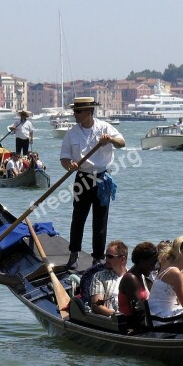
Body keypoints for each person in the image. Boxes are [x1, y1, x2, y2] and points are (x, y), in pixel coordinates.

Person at [60, 97, 126, 269]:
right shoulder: (72, 133)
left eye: (78, 111)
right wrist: (70, 166)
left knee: (100, 221)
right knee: (78, 218)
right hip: (82, 178)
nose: (74, 114)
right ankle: (74, 253)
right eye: (74, 111)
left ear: (89, 112)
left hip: (102, 179)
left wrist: (110, 139)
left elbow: (122, 143)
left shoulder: (105, 128)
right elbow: (64, 158)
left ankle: (97, 258)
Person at [148, 236, 183, 319]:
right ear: (182, 252)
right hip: (160, 316)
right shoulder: (175, 272)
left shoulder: (169, 266)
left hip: (157, 312)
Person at [118, 241, 159, 318]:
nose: (153, 268)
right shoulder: (130, 279)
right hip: (130, 324)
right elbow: (138, 311)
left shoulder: (142, 277)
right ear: (141, 261)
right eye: (151, 264)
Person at [89, 240, 129, 316]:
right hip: (111, 320)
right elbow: (97, 305)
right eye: (105, 256)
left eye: (110, 257)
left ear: (122, 259)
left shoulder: (132, 277)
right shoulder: (100, 276)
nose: (106, 259)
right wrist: (119, 316)